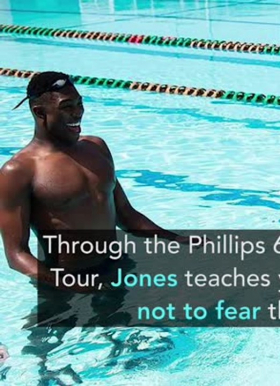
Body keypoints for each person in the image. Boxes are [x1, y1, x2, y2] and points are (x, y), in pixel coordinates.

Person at [0, 71, 185, 384]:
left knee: (148, 351)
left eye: (80, 103)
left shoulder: (97, 148)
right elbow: (16, 254)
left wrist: (179, 240)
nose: (78, 113)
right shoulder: (19, 171)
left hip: (116, 271)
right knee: (46, 364)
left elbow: (126, 215)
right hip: (61, 286)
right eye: (67, 106)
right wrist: (66, 281)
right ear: (39, 112)